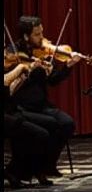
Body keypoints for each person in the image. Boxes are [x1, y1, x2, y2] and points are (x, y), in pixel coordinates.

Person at [11, 16, 80, 177]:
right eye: (37, 34)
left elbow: (53, 81)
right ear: (26, 36)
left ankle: (48, 165)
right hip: (22, 107)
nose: (42, 38)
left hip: (42, 105)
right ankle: (33, 167)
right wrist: (29, 70)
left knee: (67, 123)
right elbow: (11, 85)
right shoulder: (13, 54)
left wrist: (68, 66)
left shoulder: (42, 52)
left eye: (42, 33)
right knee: (50, 125)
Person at [4, 60, 52, 187]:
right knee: (36, 134)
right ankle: (17, 172)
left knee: (39, 131)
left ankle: (19, 171)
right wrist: (21, 67)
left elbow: (9, 92)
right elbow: (5, 81)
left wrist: (20, 81)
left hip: (10, 112)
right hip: (8, 116)